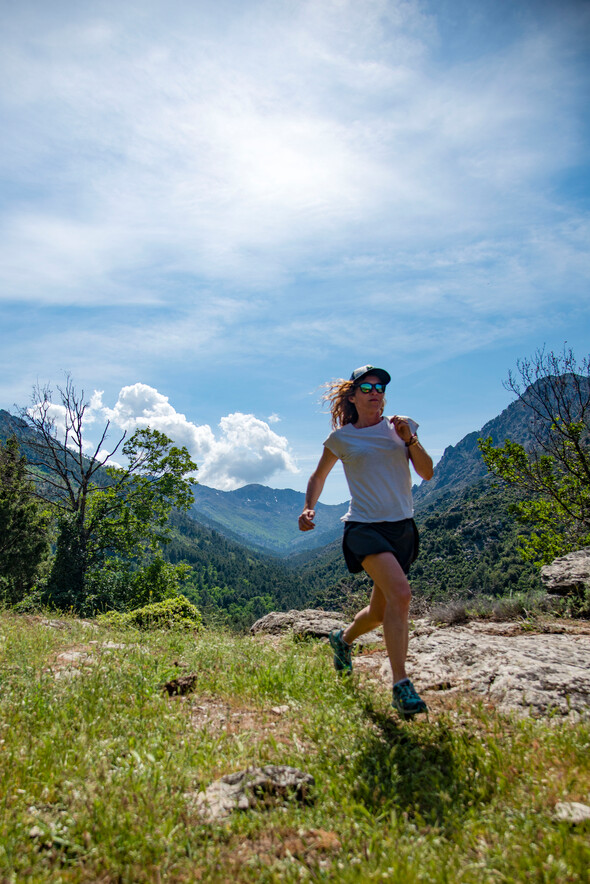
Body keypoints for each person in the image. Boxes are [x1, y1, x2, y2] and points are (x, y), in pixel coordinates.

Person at [298, 365, 434, 719]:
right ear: (353, 396)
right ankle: (401, 686)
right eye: (368, 386)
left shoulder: (400, 428)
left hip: (402, 529)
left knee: (378, 612)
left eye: (381, 387)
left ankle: (341, 640)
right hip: (364, 527)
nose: (376, 391)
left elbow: (427, 472)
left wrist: (409, 439)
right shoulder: (342, 439)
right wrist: (309, 508)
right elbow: (318, 475)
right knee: (401, 595)